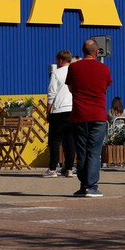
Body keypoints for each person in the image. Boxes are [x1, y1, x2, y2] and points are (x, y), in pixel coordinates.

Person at [66, 39, 112, 198]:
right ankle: (91, 186)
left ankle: (83, 184)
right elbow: (105, 88)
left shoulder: (73, 67)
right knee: (94, 150)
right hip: (98, 115)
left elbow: (71, 88)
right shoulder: (104, 68)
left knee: (82, 150)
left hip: (79, 114)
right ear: (96, 51)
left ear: (83, 50)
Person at [45, 50, 76, 178]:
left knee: (54, 140)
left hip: (59, 110)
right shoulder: (75, 72)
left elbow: (52, 93)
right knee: (70, 141)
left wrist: (48, 111)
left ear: (60, 60)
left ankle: (53, 168)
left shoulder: (57, 73)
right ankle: (68, 168)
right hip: (73, 109)